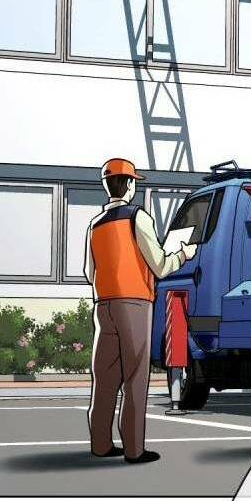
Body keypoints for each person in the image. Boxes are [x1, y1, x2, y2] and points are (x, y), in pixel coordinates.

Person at [84, 157, 195, 465]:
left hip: (103, 305)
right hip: (134, 303)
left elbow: (89, 272)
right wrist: (183, 255)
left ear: (107, 186)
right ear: (130, 185)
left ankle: (100, 444)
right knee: (135, 377)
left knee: (104, 378)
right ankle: (134, 449)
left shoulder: (95, 224)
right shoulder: (138, 217)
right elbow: (159, 265)